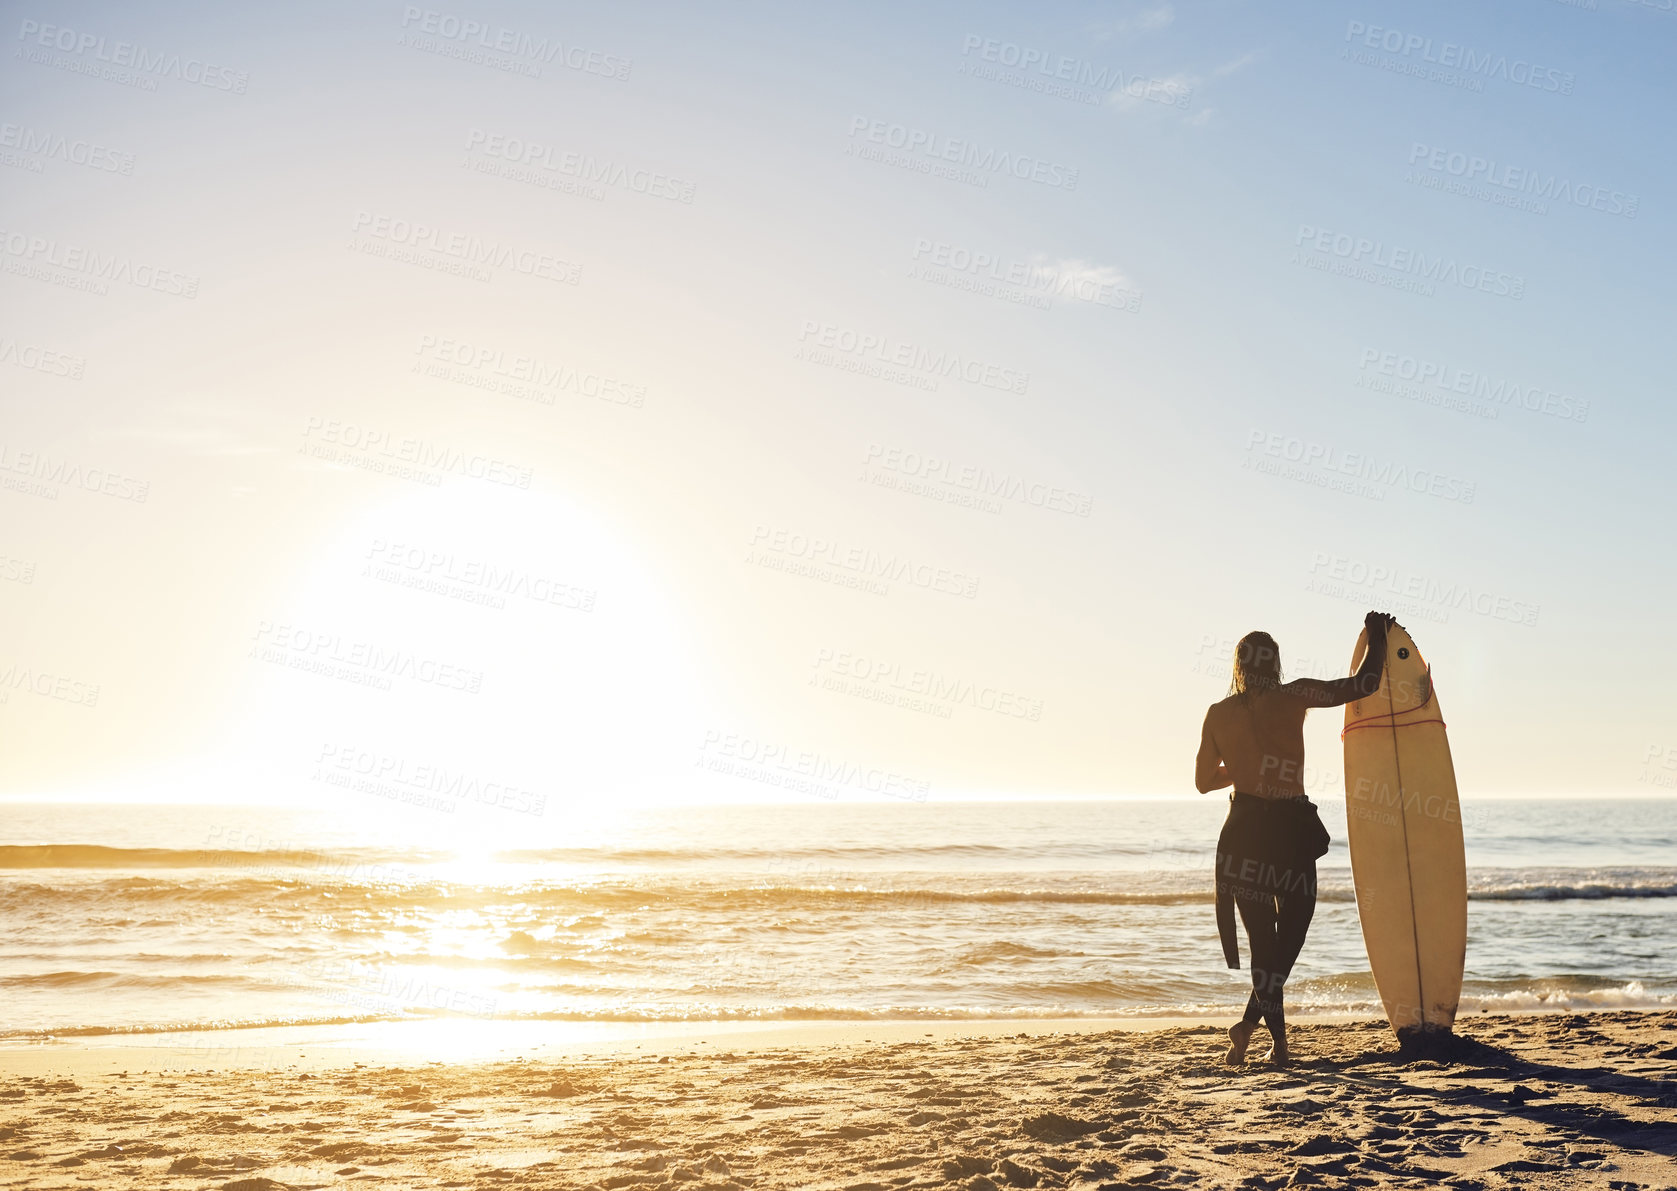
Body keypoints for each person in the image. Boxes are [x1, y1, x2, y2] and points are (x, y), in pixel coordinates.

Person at [1195, 611, 1396, 1065]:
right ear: (1276, 664)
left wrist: (1243, 769)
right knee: (1292, 932)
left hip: (1244, 831)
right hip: (1288, 830)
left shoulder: (1218, 715)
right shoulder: (1295, 695)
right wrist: (1377, 639)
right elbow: (1363, 684)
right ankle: (1269, 1040)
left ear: (1239, 667)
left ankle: (1260, 1033)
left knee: (1264, 943)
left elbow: (1204, 781)